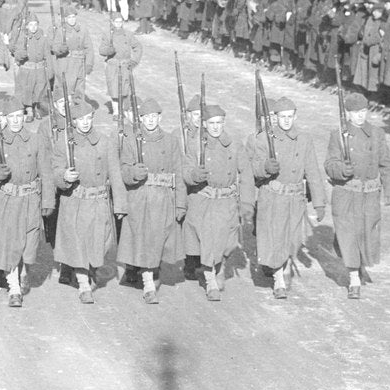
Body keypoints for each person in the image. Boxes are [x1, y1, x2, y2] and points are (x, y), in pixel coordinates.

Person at [0, 94, 55, 307]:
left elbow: (46, 171)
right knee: (10, 245)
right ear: (5, 118)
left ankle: (24, 270)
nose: (16, 120)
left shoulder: (36, 140)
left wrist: (48, 201)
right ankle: (14, 288)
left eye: (19, 115)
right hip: (6, 201)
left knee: (28, 246)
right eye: (11, 116)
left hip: (30, 200)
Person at [248, 98, 330, 300]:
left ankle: (283, 266)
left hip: (295, 199)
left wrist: (319, 202)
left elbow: (312, 171)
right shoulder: (263, 139)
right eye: (282, 117)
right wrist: (266, 168)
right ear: (275, 118)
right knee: (277, 240)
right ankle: (278, 279)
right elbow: (253, 169)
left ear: (295, 116)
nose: (286, 121)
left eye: (290, 117)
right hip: (273, 197)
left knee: (293, 241)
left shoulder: (304, 139)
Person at [324, 91, 390, 299]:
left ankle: (359, 264)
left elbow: (387, 163)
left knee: (367, 234)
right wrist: (341, 170)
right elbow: (329, 164)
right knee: (348, 234)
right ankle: (354, 277)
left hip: (369, 195)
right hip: (346, 194)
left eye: (363, 112)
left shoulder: (376, 134)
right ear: (347, 114)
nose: (360, 116)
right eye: (355, 113)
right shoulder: (337, 135)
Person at [179, 103, 256, 301]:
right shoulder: (195, 144)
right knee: (207, 241)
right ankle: (211, 278)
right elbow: (185, 171)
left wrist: (247, 203)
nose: (215, 127)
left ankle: (219, 265)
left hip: (227, 200)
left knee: (228, 243)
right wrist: (195, 174)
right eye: (211, 123)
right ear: (204, 124)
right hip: (204, 200)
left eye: (219, 123)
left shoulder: (234, 143)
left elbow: (246, 172)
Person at [52, 96, 124, 303]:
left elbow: (115, 174)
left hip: (99, 202)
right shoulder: (64, 143)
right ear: (73, 121)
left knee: (99, 245)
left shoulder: (104, 141)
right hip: (76, 202)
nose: (85, 122)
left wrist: (120, 204)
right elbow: (55, 170)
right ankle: (83, 284)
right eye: (80, 119)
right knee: (78, 243)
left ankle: (90, 271)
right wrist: (64, 177)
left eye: (88, 118)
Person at [115, 99, 186, 304]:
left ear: (160, 118)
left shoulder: (171, 141)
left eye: (154, 117)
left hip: (164, 198)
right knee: (145, 241)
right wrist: (133, 173)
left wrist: (180, 202)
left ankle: (153, 272)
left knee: (160, 240)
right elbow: (123, 169)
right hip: (142, 197)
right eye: (146, 117)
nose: (150, 121)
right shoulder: (131, 140)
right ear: (141, 119)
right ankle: (148, 283)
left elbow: (179, 172)